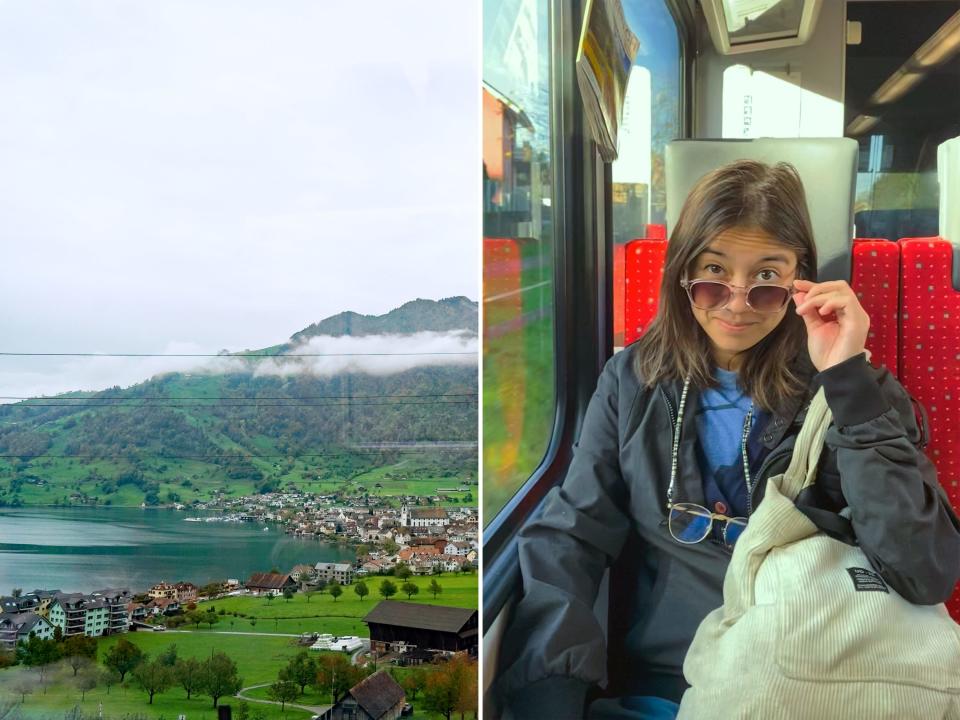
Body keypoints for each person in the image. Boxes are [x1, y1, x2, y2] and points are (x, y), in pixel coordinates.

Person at [494, 160, 960, 719]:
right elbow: (573, 534)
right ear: (683, 273)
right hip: (673, 679)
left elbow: (923, 569)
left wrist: (847, 380)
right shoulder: (631, 383)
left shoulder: (855, 394)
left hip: (818, 676)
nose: (737, 301)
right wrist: (550, 692)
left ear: (799, 281)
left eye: (767, 278)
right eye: (714, 272)